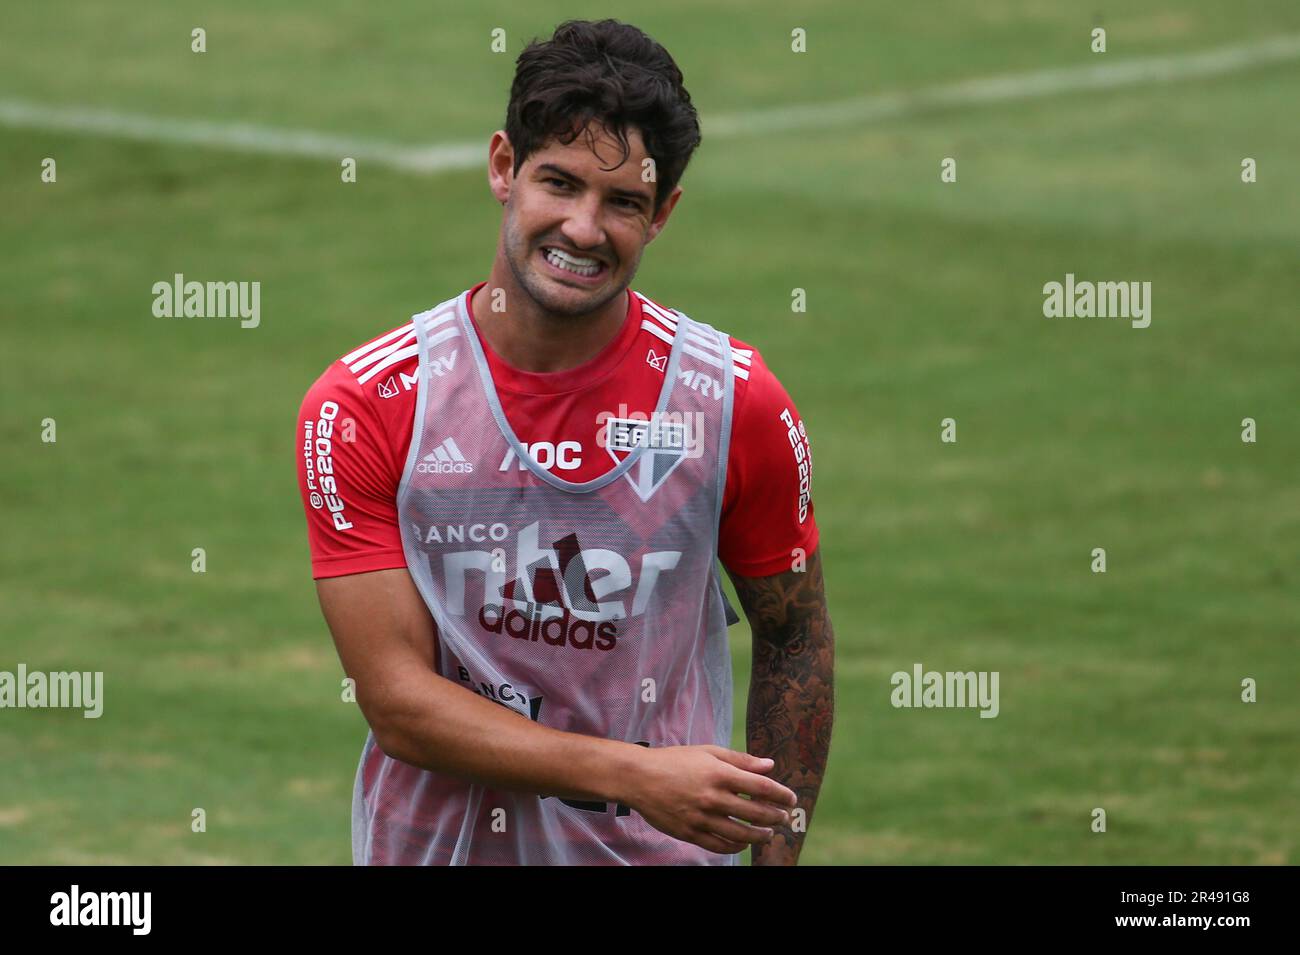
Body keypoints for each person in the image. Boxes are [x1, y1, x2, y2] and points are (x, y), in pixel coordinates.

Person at [296, 18, 834, 865]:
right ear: (504, 167)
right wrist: (637, 776)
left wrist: (775, 855)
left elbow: (796, 636)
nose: (584, 229)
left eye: (623, 202)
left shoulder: (733, 403)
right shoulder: (368, 406)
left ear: (663, 214)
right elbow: (398, 704)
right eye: (560, 183)